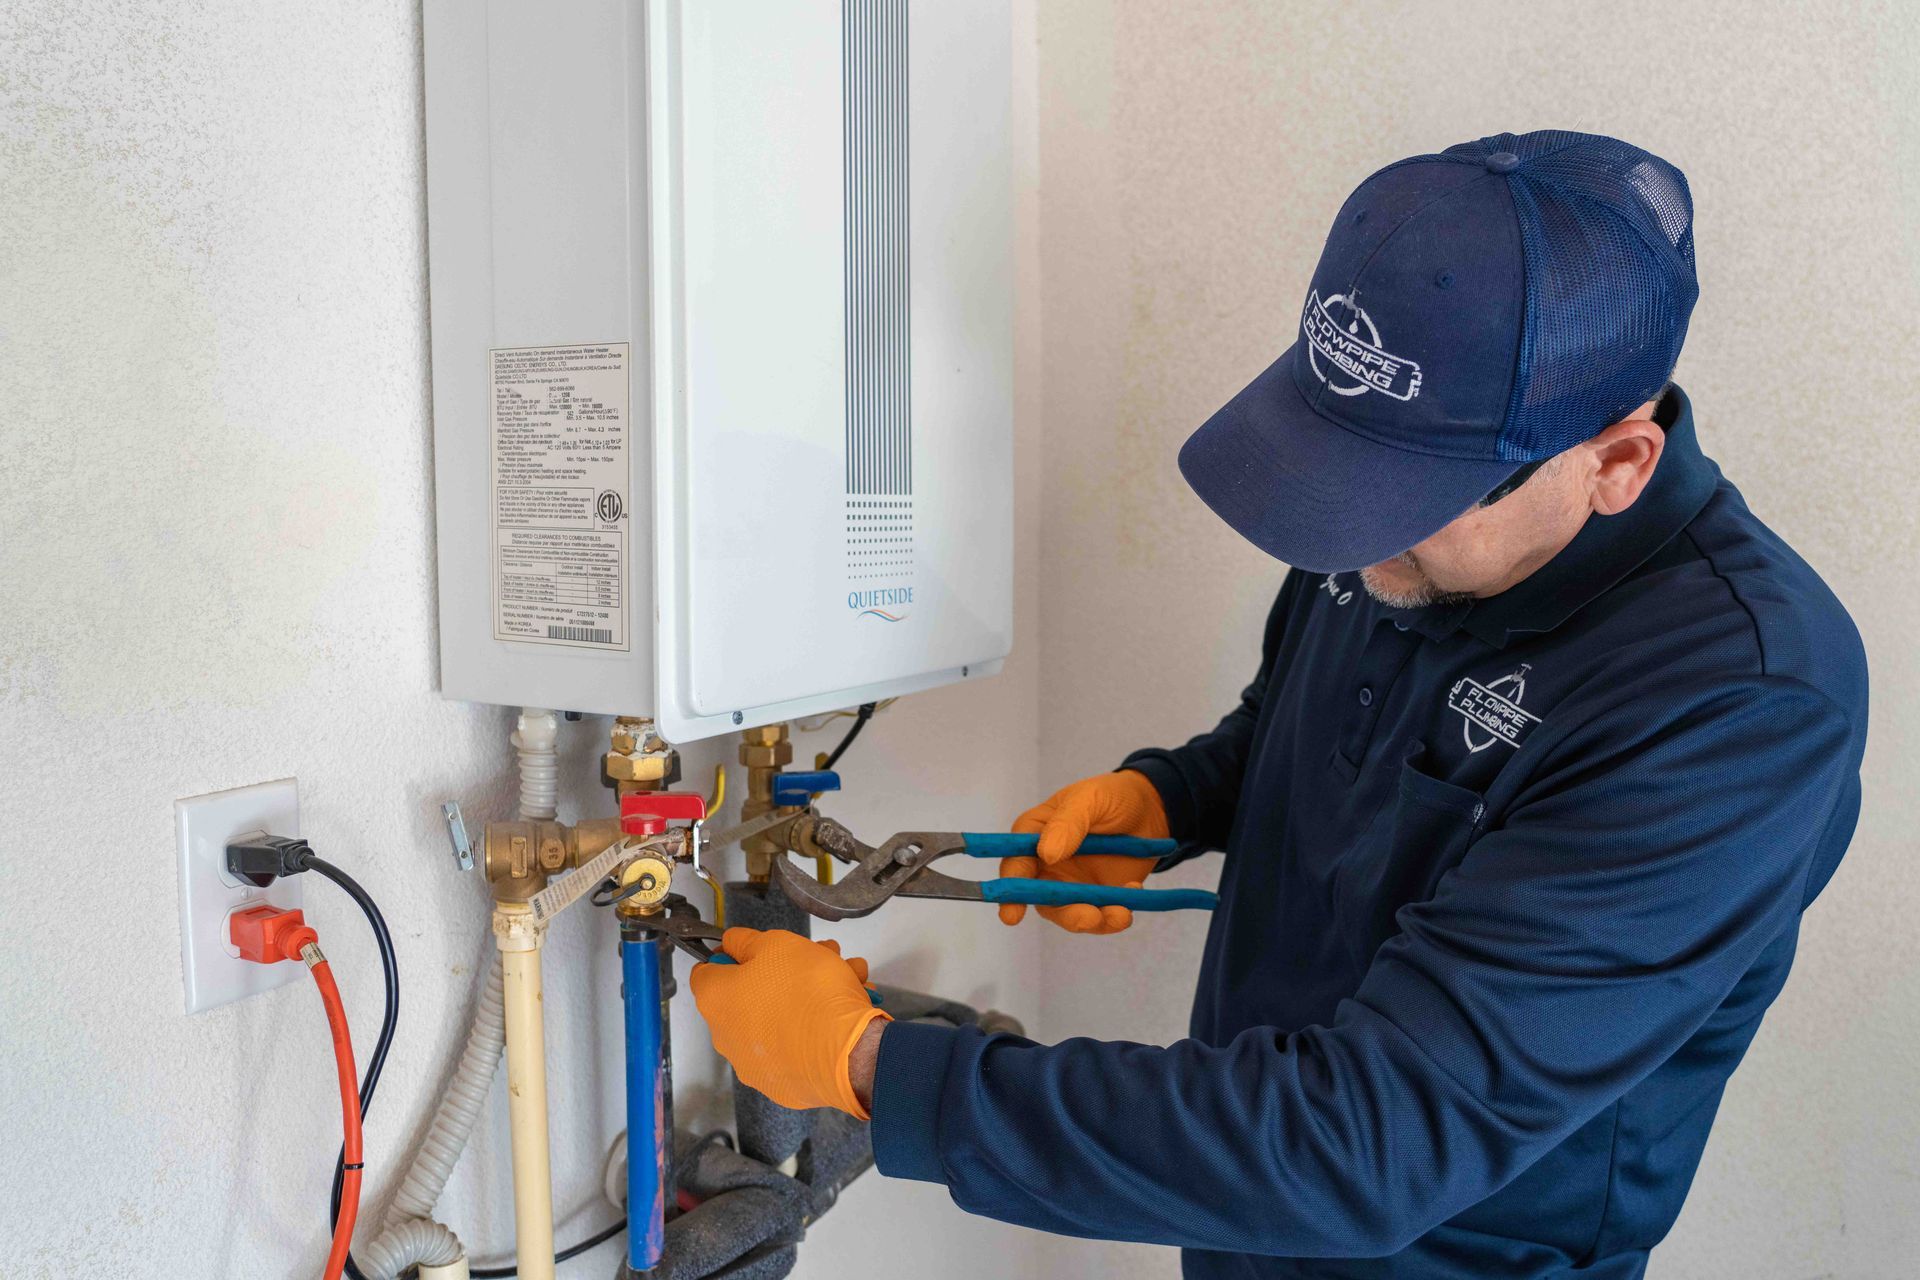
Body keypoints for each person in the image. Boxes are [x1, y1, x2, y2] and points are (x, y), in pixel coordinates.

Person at [690, 130, 1869, 1278]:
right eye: (1338, 465)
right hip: (1238, 1226)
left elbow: (1372, 1142)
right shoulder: (1393, 522)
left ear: (1614, 463)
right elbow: (1303, 720)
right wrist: (1173, 793)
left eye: (1398, 498)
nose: (1346, 548)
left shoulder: (1741, 701)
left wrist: (877, 1071)